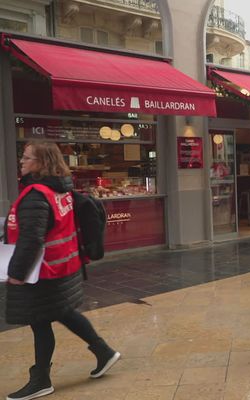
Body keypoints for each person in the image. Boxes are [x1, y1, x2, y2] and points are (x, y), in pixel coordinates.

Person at [4, 142, 120, 400]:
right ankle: (104, 352)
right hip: (62, 265)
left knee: (41, 320)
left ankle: (41, 379)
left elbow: (32, 239)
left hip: (42, 271)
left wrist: (17, 273)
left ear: (41, 162)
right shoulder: (60, 189)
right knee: (61, 312)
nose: (21, 161)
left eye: (26, 158)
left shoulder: (36, 195)